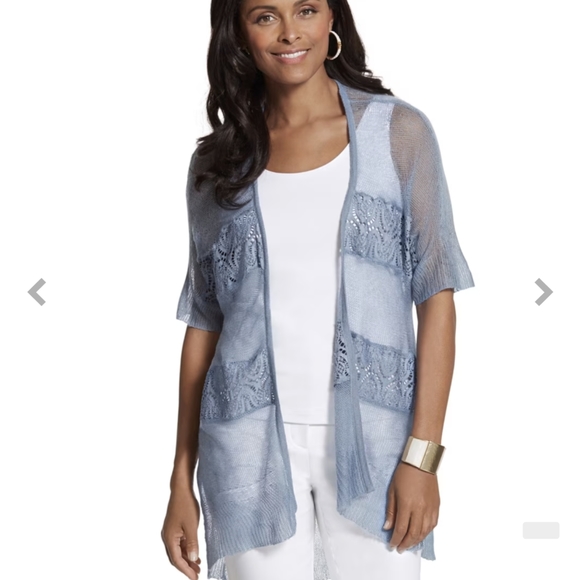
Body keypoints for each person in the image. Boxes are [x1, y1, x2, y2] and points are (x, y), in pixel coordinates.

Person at [161, 0, 475, 579]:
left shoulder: (397, 133)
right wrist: (181, 479)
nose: (289, 33)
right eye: (265, 16)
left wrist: (422, 457)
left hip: (378, 446)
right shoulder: (217, 161)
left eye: (305, 9)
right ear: (239, 33)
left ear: (333, 19)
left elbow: (437, 298)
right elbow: (204, 324)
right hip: (244, 448)